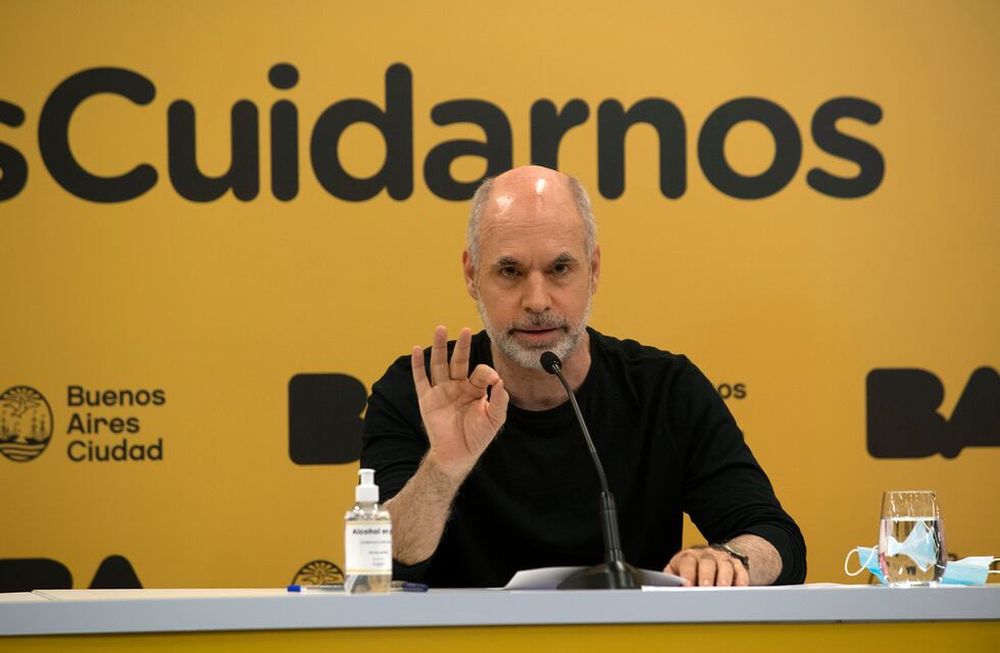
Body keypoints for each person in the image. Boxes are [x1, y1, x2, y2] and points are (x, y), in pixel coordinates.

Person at [361, 165, 806, 588]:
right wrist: (443, 466)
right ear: (472, 276)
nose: (537, 301)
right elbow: (388, 559)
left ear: (592, 271)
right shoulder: (420, 390)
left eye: (560, 269)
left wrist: (731, 559)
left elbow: (774, 537)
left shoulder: (664, 390)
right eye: (510, 271)